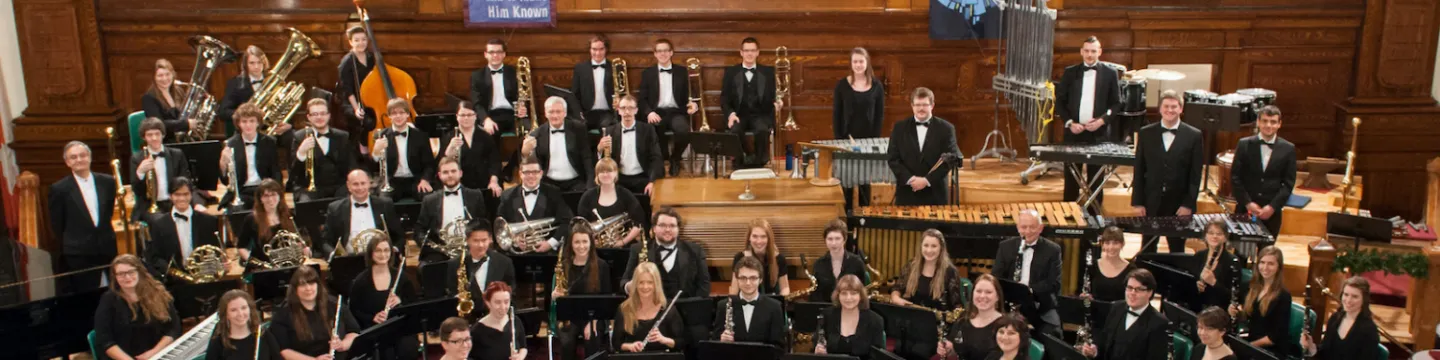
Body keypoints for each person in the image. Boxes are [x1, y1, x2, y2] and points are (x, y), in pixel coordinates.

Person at [1132, 90, 1204, 253]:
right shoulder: (1146, 133)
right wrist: (1138, 201)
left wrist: (1188, 204)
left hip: (1179, 203)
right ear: (1160, 109)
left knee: (1177, 249)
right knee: (1148, 248)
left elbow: (1195, 175)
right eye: (1166, 106)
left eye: (1174, 106)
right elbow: (1139, 169)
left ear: (1181, 109)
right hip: (1151, 201)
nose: (1170, 110)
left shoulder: (1194, 135)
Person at [1056, 36, 1122, 209]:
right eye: (1086, 51)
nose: (1090, 55)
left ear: (1099, 52)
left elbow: (1116, 104)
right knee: (1071, 181)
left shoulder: (1110, 73)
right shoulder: (1071, 72)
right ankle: (1069, 218)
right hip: (1073, 133)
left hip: (1098, 135)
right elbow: (1060, 102)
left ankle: (1094, 223)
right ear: (1081, 52)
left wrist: (1101, 121)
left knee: (1095, 180)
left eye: (1093, 51)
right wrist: (1070, 122)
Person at [49, 141, 118, 291]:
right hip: (79, 253)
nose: (79, 160)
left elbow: (108, 212)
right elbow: (57, 224)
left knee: (113, 292)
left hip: (106, 247)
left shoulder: (107, 182)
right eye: (73, 157)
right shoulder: (59, 189)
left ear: (90, 157)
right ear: (67, 162)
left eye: (82, 155)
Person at [890, 229, 963, 360]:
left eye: (934, 246)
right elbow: (897, 288)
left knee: (918, 353)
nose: (929, 250)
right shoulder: (912, 265)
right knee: (899, 349)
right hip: (911, 324)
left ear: (941, 248)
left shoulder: (950, 272)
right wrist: (895, 298)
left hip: (935, 329)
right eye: (926, 245)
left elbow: (957, 307)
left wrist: (950, 338)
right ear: (920, 247)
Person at [93, 255, 182, 360]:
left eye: (131, 272)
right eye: (121, 274)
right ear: (115, 277)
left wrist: (154, 352)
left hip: (157, 354)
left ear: (139, 272)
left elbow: (174, 328)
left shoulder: (157, 292)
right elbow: (105, 341)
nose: (127, 277)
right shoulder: (108, 300)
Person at [991, 209, 1063, 336]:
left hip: (1040, 304)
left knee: (1054, 334)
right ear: (1018, 227)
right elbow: (996, 277)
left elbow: (1054, 283)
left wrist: (1027, 291)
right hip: (1010, 303)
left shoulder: (1053, 250)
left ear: (1040, 228)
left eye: (1032, 227)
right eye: (1024, 227)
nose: (1028, 232)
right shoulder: (1005, 247)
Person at [347, 235, 419, 360]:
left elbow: (413, 305)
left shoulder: (401, 277)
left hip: (399, 326)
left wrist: (400, 302)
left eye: (386, 250)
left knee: (408, 346)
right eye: (378, 250)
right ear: (371, 253)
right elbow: (354, 311)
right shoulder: (361, 281)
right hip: (374, 329)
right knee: (386, 351)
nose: (383, 254)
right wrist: (373, 318)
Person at [887, 87, 961, 205]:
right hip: (907, 193)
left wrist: (926, 181)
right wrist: (911, 179)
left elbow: (949, 161)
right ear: (912, 106)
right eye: (917, 105)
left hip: (935, 194)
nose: (921, 108)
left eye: (925, 105)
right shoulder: (899, 128)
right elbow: (893, 158)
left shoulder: (946, 129)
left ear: (932, 105)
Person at [1230, 105, 1296, 236]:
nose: (1268, 125)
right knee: (1240, 254)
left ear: (1279, 124)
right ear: (1258, 122)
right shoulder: (1244, 144)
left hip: (1271, 213)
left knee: (1266, 254)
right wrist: (1248, 203)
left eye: (1273, 122)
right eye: (1265, 121)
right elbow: (1235, 177)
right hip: (1245, 209)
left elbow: (1288, 183)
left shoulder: (1288, 149)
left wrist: (1272, 207)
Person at [833, 47, 885, 209]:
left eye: (861, 61)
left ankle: (864, 217)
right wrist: (841, 140)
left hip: (867, 141)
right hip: (846, 140)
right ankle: (847, 220)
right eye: (855, 61)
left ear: (867, 62)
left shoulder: (877, 86)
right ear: (851, 63)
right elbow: (837, 115)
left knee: (864, 184)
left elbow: (879, 116)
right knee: (846, 183)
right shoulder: (842, 85)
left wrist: (872, 141)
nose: (858, 64)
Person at [271, 266, 361, 360]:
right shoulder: (283, 315)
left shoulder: (334, 304)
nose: (308, 288)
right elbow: (284, 351)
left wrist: (342, 345)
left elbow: (354, 332)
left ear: (318, 285)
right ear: (295, 289)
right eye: (302, 285)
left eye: (312, 283)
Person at [551, 224, 613, 360]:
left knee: (592, 340)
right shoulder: (564, 265)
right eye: (577, 242)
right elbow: (559, 296)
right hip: (569, 316)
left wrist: (593, 321)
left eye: (585, 241)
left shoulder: (601, 266)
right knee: (567, 343)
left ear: (591, 243)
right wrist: (555, 296)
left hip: (595, 316)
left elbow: (606, 298)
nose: (581, 246)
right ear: (571, 244)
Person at [1079, 268, 1170, 360]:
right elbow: (1105, 346)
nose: (1132, 293)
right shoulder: (1117, 308)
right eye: (1129, 288)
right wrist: (1095, 352)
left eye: (1138, 289)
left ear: (1150, 293)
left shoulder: (1159, 323)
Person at [637, 38, 696, 176]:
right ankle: (662, 160)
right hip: (656, 111)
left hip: (676, 112)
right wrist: (649, 113)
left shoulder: (682, 72)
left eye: (665, 51)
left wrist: (693, 103)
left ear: (671, 53)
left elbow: (690, 94)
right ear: (655, 54)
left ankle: (675, 158)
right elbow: (642, 99)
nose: (662, 54)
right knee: (654, 130)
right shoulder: (648, 73)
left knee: (684, 131)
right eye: (659, 51)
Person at [621, 206, 709, 299]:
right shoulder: (638, 249)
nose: (667, 229)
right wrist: (629, 286)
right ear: (654, 228)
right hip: (650, 307)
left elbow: (704, 286)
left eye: (672, 226)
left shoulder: (695, 250)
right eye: (662, 225)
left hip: (685, 309)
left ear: (678, 229)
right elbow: (625, 281)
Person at [721, 37, 782, 168]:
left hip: (761, 114)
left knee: (762, 130)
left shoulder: (769, 72)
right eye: (747, 50)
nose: (750, 54)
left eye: (753, 50)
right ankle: (742, 159)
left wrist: (778, 102)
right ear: (741, 52)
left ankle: (759, 162)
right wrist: (730, 114)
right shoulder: (731, 72)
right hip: (738, 114)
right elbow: (724, 98)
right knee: (735, 130)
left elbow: (775, 94)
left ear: (758, 52)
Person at [141, 177, 221, 278]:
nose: (182, 198)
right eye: (177, 195)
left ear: (191, 195)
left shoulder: (208, 221)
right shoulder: (158, 224)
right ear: (170, 196)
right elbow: (154, 257)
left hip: (203, 276)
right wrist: (175, 273)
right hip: (173, 281)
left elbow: (214, 252)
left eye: (185, 194)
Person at [495, 155, 573, 254]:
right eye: (527, 172)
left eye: (535, 172)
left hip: (547, 254)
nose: (531, 176)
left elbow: (567, 221)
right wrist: (514, 240)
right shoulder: (508, 195)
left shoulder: (553, 193)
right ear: (520, 173)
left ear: (541, 173)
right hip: (518, 255)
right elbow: (500, 227)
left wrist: (550, 243)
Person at [416, 157, 489, 260]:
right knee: (426, 270)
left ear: (460, 173)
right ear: (440, 175)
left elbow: (484, 224)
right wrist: (433, 247)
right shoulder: (429, 200)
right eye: (445, 172)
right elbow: (419, 230)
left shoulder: (475, 195)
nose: (450, 175)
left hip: (471, 248)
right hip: (440, 251)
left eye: (453, 171)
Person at [131, 117, 203, 220]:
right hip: (150, 206)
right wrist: (140, 173)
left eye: (157, 134)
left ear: (163, 135)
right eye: (150, 135)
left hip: (174, 202)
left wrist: (195, 204)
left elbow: (186, 182)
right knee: (161, 222)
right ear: (144, 137)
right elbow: (137, 191)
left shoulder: (177, 155)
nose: (154, 138)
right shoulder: (137, 158)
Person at [1229, 246, 1293, 359]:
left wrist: (1248, 347)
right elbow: (1247, 316)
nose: (1265, 267)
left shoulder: (1283, 296)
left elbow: (1274, 337)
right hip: (1251, 341)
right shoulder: (1250, 287)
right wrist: (1234, 311)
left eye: (1271, 264)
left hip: (1270, 350)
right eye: (1262, 262)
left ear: (1279, 267)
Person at [319, 170, 402, 256]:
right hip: (349, 260)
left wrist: (393, 250)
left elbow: (399, 236)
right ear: (348, 186)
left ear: (369, 184)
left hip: (381, 258)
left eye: (363, 183)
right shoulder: (335, 208)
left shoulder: (385, 204)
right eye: (355, 184)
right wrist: (333, 254)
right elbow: (325, 241)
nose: (360, 188)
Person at [522, 96, 595, 192]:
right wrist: (525, 152)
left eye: (558, 112)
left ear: (565, 113)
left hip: (576, 182)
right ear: (545, 113)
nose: (555, 116)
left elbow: (587, 158)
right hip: (549, 183)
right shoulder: (537, 134)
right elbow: (533, 163)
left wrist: (590, 185)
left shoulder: (578, 129)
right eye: (551, 112)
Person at [292, 98, 358, 201]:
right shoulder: (299, 137)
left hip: (339, 187)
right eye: (315, 114)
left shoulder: (342, 136)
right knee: (305, 203)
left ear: (329, 115)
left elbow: (352, 165)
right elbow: (294, 174)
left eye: (323, 113)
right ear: (308, 117)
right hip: (310, 189)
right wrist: (301, 153)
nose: (319, 117)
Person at [220, 102, 283, 210]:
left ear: (258, 122)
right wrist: (222, 163)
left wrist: (275, 193)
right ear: (238, 123)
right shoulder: (230, 144)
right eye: (244, 121)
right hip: (242, 191)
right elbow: (226, 181)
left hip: (265, 190)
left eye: (252, 121)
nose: (248, 125)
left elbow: (276, 172)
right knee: (237, 211)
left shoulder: (269, 142)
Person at [713, 256, 787, 347]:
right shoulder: (723, 306)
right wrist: (721, 340)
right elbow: (714, 343)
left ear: (760, 279)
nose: (748, 283)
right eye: (743, 278)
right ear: (737, 279)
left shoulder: (774, 307)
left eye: (753, 278)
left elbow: (779, 346)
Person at [1300, 277, 1381, 360]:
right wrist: (1311, 347)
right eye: (1346, 295)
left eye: (1355, 296)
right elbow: (1324, 353)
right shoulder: (1335, 319)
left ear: (1364, 299)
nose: (1348, 300)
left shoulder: (1370, 331)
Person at [371, 98, 436, 202]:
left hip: (416, 179)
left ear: (407, 114)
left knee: (429, 198)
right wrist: (375, 152)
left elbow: (430, 164)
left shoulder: (420, 135)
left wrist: (425, 180)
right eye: (394, 113)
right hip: (392, 181)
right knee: (384, 201)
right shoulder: (380, 135)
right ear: (389, 116)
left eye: (402, 112)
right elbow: (374, 168)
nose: (398, 116)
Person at [218, 46, 291, 138]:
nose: (256, 66)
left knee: (291, 135)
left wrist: (287, 124)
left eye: (259, 62)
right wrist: (249, 114)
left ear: (264, 63)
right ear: (245, 65)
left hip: (272, 129)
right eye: (252, 63)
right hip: (246, 130)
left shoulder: (274, 81)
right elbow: (223, 112)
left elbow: (286, 105)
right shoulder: (235, 83)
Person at [447, 219, 518, 312]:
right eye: (476, 241)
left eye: (484, 240)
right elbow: (452, 292)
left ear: (490, 239)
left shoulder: (504, 262)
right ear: (467, 240)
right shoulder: (455, 264)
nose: (480, 245)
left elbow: (511, 291)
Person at [598, 95, 664, 195]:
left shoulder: (648, 130)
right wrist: (600, 149)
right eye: (623, 108)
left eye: (630, 108)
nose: (627, 112)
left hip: (643, 178)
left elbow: (656, 158)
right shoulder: (609, 131)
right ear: (618, 110)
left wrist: (652, 182)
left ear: (636, 110)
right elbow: (606, 161)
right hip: (619, 180)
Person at [613, 262, 685, 353]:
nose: (645, 287)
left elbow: (681, 343)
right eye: (641, 282)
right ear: (635, 284)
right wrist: (630, 346)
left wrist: (664, 340)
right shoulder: (624, 308)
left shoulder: (668, 309)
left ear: (656, 284)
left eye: (650, 282)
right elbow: (616, 343)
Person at [576, 158, 646, 248]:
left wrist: (623, 242)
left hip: (623, 248)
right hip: (594, 248)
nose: (605, 175)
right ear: (597, 175)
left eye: (609, 171)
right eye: (601, 172)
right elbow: (580, 225)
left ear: (616, 173)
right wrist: (591, 240)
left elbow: (639, 222)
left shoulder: (625, 194)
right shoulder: (588, 196)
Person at [440, 101, 503, 201]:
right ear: (457, 116)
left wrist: (493, 181)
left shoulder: (485, 136)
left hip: (484, 183)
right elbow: (443, 163)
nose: (466, 118)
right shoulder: (449, 137)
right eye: (462, 115)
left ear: (475, 116)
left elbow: (495, 162)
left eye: (469, 115)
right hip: (460, 184)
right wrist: (450, 148)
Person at [814, 274, 886, 359]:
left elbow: (877, 357)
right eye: (844, 293)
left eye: (853, 293)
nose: (848, 298)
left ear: (861, 296)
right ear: (838, 295)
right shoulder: (826, 316)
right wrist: (818, 351)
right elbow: (817, 344)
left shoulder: (875, 320)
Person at [237, 179, 304, 265]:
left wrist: (303, 249)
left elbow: (298, 240)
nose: (270, 199)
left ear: (280, 196)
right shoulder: (251, 219)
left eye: (273, 195)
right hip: (264, 266)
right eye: (266, 196)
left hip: (289, 263)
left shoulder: (289, 215)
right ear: (260, 199)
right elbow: (241, 247)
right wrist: (254, 262)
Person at [943, 274, 1006, 360]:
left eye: (988, 292)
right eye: (979, 291)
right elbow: (954, 354)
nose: (982, 296)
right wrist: (948, 350)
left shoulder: (1006, 326)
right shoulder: (963, 319)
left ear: (997, 296)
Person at [468, 38, 522, 137]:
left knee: (527, 132)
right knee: (488, 136)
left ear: (504, 54)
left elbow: (522, 95)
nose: (495, 55)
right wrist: (485, 119)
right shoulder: (477, 76)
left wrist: (523, 106)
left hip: (513, 115)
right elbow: (477, 103)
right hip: (491, 115)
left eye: (499, 52)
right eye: (491, 52)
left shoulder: (515, 73)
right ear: (485, 54)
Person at [207, 290, 281, 360]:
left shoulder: (264, 335)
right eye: (233, 310)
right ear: (226, 314)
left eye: (244, 308)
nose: (240, 314)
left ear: (250, 309)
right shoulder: (218, 342)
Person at [810, 219, 869, 303]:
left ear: (844, 240)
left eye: (837, 238)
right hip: (826, 311)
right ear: (825, 240)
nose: (834, 243)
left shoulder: (857, 263)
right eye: (830, 239)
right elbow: (814, 296)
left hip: (850, 308)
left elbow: (862, 294)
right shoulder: (818, 264)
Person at [728, 219, 790, 296]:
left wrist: (782, 303)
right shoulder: (740, 258)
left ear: (768, 239)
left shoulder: (779, 259)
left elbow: (785, 288)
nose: (759, 241)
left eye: (763, 236)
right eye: (755, 236)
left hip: (772, 304)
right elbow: (734, 289)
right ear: (749, 238)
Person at [470, 282, 528, 360]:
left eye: (506, 302)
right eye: (498, 302)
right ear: (488, 303)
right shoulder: (477, 331)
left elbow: (523, 347)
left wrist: (520, 357)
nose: (503, 307)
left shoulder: (515, 321)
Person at [571, 33, 617, 130]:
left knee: (608, 129)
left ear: (606, 50)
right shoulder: (580, 68)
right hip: (587, 113)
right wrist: (579, 113)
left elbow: (622, 92)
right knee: (578, 128)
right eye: (594, 49)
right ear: (589, 50)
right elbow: (575, 94)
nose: (597, 53)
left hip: (608, 113)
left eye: (601, 49)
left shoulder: (615, 67)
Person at [141, 58, 195, 138]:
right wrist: (186, 124)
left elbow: (187, 113)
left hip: (183, 138)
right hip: (165, 141)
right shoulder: (149, 98)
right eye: (160, 75)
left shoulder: (178, 91)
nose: (164, 79)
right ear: (154, 77)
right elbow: (158, 124)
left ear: (173, 75)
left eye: (167, 74)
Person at [1192, 219, 1239, 311]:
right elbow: (1190, 282)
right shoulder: (1198, 256)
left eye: (1219, 234)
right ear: (1205, 236)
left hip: (1219, 310)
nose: (1214, 236)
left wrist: (1214, 282)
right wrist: (1196, 286)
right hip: (1198, 306)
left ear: (1225, 237)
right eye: (1211, 233)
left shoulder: (1233, 261)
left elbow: (1234, 297)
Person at [338, 26, 376, 137]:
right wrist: (356, 109)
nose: (361, 43)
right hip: (352, 101)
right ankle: (362, 148)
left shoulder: (371, 58)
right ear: (350, 42)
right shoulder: (347, 62)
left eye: (364, 39)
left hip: (369, 98)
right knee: (368, 122)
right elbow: (347, 90)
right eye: (356, 40)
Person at [1088, 226, 1132, 303]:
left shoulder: (1131, 270)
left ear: (1122, 244)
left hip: (1119, 313)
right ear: (1102, 244)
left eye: (1115, 243)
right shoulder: (1093, 266)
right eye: (1107, 243)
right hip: (1096, 312)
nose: (1111, 247)